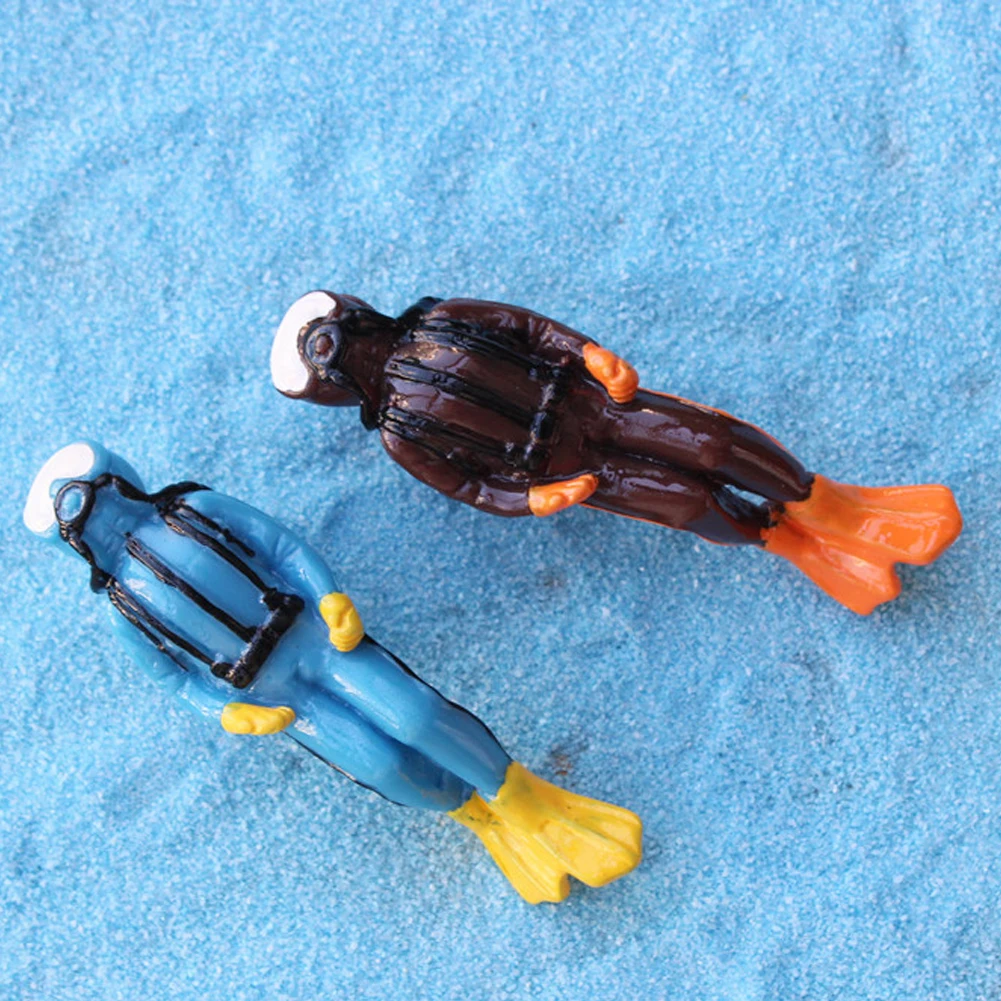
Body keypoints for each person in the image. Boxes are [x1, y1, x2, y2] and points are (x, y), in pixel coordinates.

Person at [24, 440, 642, 904]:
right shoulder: (123, 609)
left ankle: (525, 798)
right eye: (82, 519)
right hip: (276, 695)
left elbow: (283, 548)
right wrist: (228, 712)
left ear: (121, 478)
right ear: (71, 543)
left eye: (100, 495)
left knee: (416, 714)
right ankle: (481, 818)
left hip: (317, 640)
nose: (102, 517)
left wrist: (329, 597)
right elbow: (176, 680)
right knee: (381, 765)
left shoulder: (197, 509)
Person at [271, 292, 962, 615]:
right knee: (686, 502)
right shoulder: (401, 434)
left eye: (333, 332)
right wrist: (531, 498)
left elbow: (529, 329)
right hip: (571, 469)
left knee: (711, 442)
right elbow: (471, 487)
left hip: (594, 402)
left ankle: (835, 506)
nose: (341, 349)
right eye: (326, 356)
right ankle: (790, 541)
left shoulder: (445, 320)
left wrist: (589, 354)